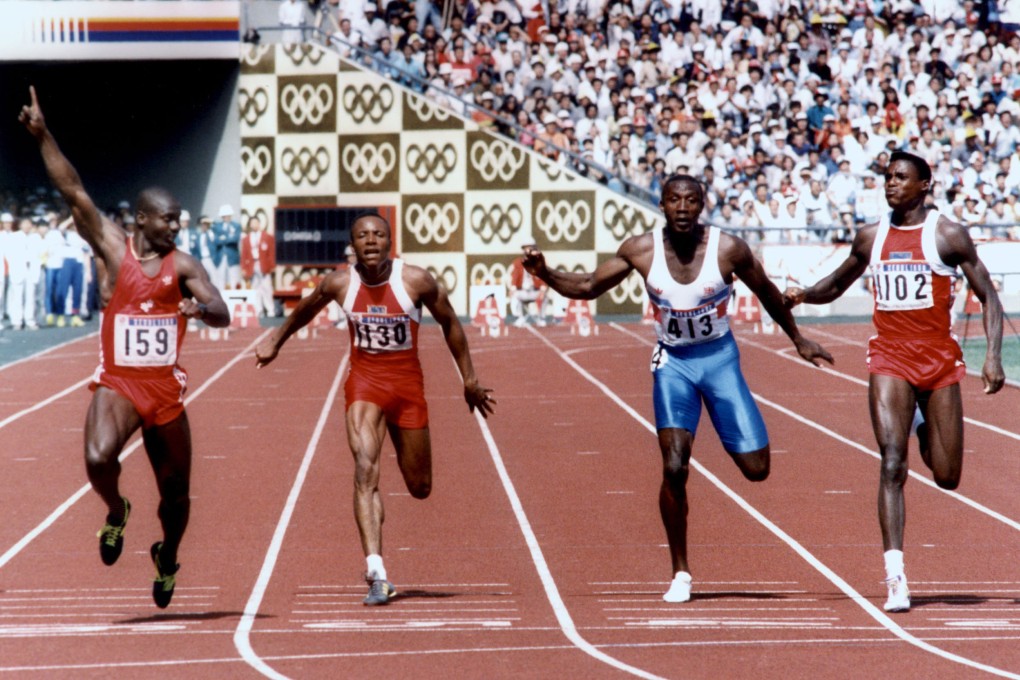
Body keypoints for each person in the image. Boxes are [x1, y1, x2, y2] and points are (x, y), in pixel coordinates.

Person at [522, 174, 833, 603]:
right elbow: (589, 286)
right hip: (673, 365)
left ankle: (731, 433)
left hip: (719, 360)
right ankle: (681, 573)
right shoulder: (641, 249)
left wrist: (798, 339)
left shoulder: (728, 249)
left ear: (702, 205)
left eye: (691, 200)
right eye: (674, 200)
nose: (683, 208)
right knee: (673, 466)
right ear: (662, 205)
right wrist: (545, 273)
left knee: (757, 469)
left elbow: (767, 292)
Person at [19, 86, 231, 608]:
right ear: (142, 220)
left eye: (179, 219)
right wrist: (44, 135)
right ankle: (116, 511)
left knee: (177, 495)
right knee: (97, 458)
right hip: (118, 380)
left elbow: (222, 309)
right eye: (170, 219)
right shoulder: (114, 247)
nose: (178, 225)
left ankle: (168, 556)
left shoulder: (184, 266)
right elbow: (74, 191)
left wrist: (197, 309)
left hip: (163, 389)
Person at [783, 151, 1004, 614]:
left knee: (947, 476)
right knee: (890, 462)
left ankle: (924, 424)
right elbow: (838, 283)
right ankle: (895, 577)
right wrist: (804, 294)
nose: (891, 184)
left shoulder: (947, 235)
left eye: (901, 178)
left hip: (940, 361)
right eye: (887, 177)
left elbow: (988, 295)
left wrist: (994, 359)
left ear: (925, 185)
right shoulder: (871, 235)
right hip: (890, 358)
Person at [255, 212, 494, 606]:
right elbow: (305, 309)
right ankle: (377, 572)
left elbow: (451, 323)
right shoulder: (339, 282)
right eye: (363, 236)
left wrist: (468, 379)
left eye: (378, 235)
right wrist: (276, 341)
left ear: (390, 242)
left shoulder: (415, 280)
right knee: (365, 469)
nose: (371, 241)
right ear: (353, 245)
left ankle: (378, 531)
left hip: (407, 386)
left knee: (420, 487)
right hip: (364, 384)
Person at [240, 215, 277, 317]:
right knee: (255, 288)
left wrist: (272, 266)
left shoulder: (267, 237)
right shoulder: (246, 239)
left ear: (259, 224)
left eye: (256, 223)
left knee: (266, 287)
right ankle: (258, 310)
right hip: (252, 265)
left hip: (264, 265)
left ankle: (270, 310)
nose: (254, 225)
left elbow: (271, 253)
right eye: (252, 223)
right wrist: (243, 268)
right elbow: (244, 254)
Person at [508, 252, 547, 327]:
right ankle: (519, 317)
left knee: (545, 297)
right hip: (523, 291)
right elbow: (515, 277)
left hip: (534, 291)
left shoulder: (536, 265)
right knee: (514, 296)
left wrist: (542, 290)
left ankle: (541, 318)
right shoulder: (518, 265)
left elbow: (542, 278)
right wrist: (512, 289)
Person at [214, 204, 242, 290]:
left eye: (227, 215)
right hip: (221, 256)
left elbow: (235, 239)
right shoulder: (217, 226)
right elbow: (216, 240)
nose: (226, 217)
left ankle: (234, 298)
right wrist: (228, 237)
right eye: (224, 216)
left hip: (232, 257)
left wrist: (223, 238)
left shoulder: (236, 226)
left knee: (234, 278)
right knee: (220, 279)